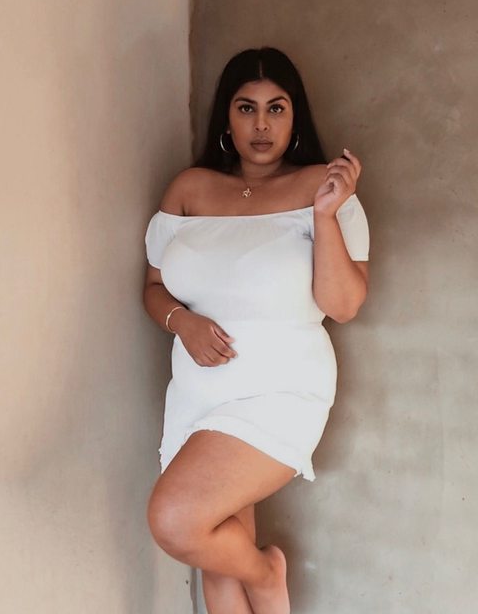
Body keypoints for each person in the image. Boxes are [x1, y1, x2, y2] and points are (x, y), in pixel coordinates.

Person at [142, 47, 369, 614]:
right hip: (198, 388)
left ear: (295, 118)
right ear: (227, 116)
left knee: (177, 520)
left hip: (279, 388)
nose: (261, 124)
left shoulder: (324, 186)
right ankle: (260, 580)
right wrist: (183, 322)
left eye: (276, 108)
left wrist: (324, 214)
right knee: (218, 564)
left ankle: (267, 574)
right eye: (246, 108)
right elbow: (153, 288)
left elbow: (343, 305)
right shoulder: (188, 189)